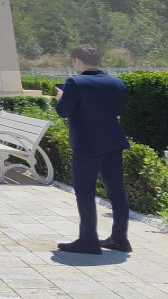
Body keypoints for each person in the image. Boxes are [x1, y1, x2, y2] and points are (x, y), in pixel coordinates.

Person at [55, 44, 131, 255]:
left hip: (87, 144)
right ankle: (120, 238)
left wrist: (62, 97)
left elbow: (63, 112)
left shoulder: (75, 82)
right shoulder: (116, 82)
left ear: (77, 61)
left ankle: (88, 240)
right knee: (117, 192)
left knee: (85, 191)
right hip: (113, 141)